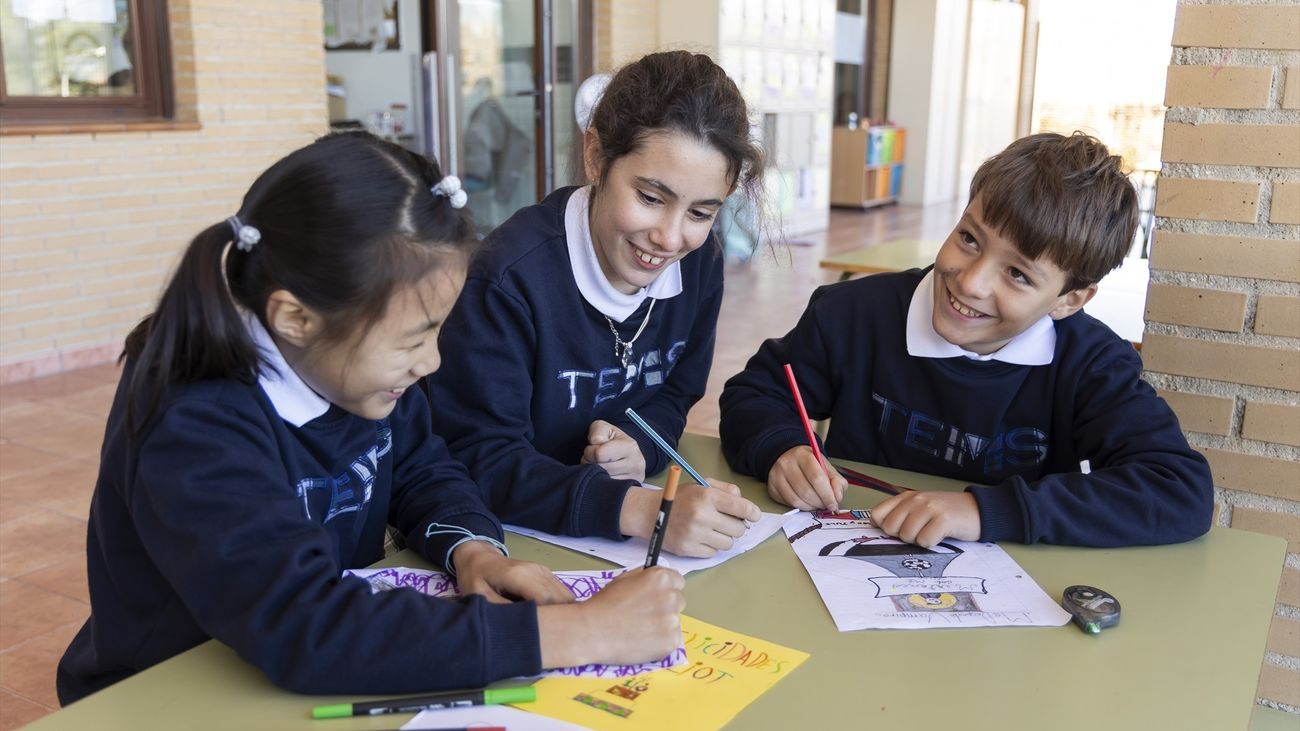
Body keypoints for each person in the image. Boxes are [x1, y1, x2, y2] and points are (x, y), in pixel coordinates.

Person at [57, 132, 685, 704]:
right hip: (169, 694)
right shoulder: (194, 419)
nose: (431, 363)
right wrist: (579, 631)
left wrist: (474, 551)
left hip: (305, 674)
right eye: (415, 339)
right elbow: (305, 625)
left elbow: (419, 466)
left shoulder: (354, 367)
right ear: (294, 318)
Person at [719, 132, 1214, 549]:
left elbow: (1179, 491)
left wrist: (982, 511)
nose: (971, 282)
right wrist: (780, 449)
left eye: (1018, 274)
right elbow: (754, 394)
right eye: (970, 239)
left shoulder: (1091, 363)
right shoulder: (853, 314)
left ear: (1069, 300)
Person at [428, 51, 766, 557]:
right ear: (596, 157)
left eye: (700, 212)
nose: (670, 239)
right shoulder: (508, 278)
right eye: (650, 198)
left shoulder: (699, 262)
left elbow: (675, 395)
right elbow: (480, 457)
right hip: (509, 539)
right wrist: (638, 510)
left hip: (598, 530)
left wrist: (639, 445)